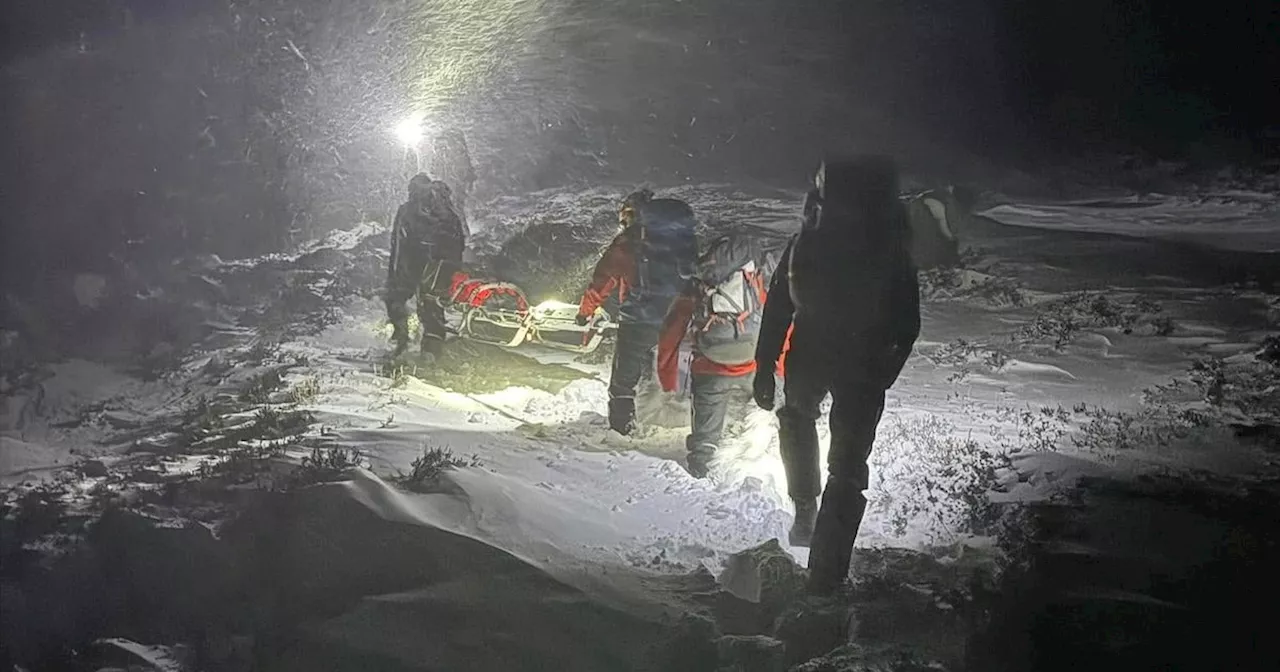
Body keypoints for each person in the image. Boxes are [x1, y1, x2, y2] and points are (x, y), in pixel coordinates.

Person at [752, 156, 921, 595]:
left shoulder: (812, 237)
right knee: (841, 460)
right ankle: (824, 558)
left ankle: (811, 523)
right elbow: (907, 320)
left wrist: (766, 364)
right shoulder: (885, 244)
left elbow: (779, 304)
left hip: (824, 353)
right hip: (853, 360)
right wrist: (886, 370)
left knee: (805, 427)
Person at [656, 233, 785, 477]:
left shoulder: (700, 283)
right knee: (762, 410)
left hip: (710, 366)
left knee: (707, 418)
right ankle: (758, 459)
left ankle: (702, 465)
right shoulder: (755, 280)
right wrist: (779, 368)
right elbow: (779, 323)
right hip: (752, 364)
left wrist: (666, 373)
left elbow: (672, 327)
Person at [576, 188, 698, 436]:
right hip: (680, 318)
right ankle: (680, 421)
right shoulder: (682, 239)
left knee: (624, 379)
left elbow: (603, 280)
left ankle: (622, 429)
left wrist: (585, 312)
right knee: (676, 372)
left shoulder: (628, 243)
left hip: (639, 320)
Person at [385, 173, 467, 360]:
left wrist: (395, 275)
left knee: (395, 299)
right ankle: (432, 352)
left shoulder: (407, 210)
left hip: (412, 264)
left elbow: (398, 243)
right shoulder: (449, 212)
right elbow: (460, 241)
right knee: (432, 306)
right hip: (443, 267)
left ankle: (401, 343)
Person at [903, 184, 979, 270]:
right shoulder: (939, 200)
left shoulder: (945, 198)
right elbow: (941, 221)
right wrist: (950, 238)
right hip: (922, 224)